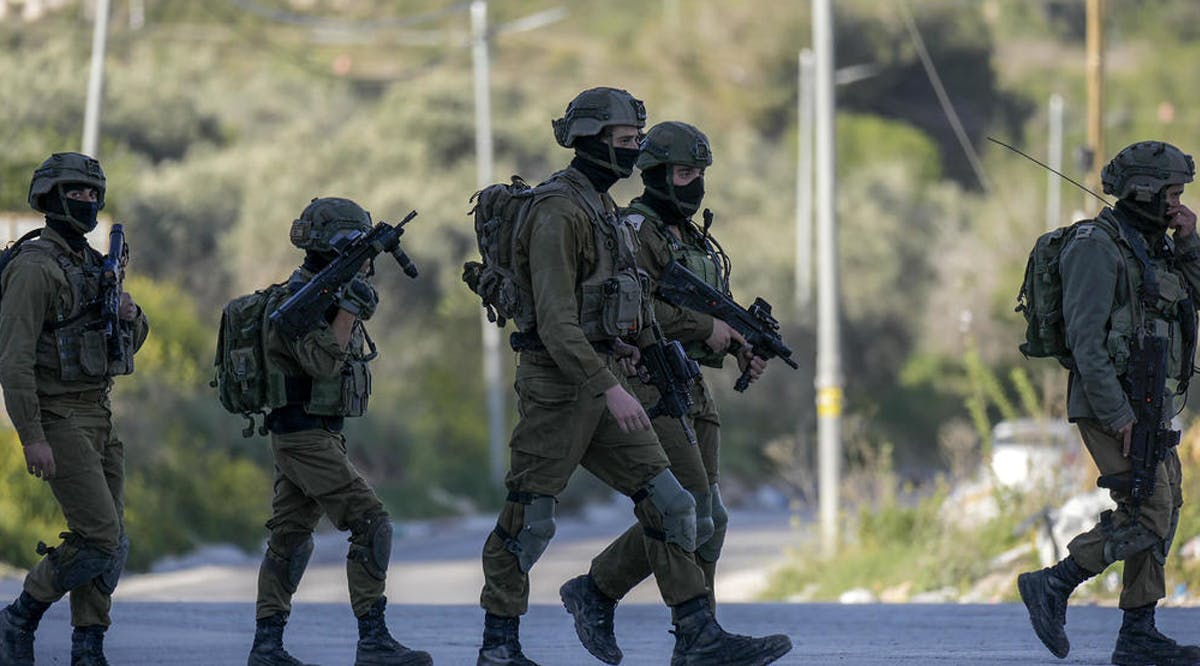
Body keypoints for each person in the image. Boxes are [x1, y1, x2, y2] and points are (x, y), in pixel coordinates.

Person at [476, 88, 789, 666]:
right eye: (625, 143)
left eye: (637, 143)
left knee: (676, 506)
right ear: (590, 140)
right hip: (559, 387)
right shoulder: (557, 211)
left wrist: (645, 351)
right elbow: (555, 322)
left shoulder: (602, 210)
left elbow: (635, 303)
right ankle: (499, 647)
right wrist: (611, 387)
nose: (633, 153)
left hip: (610, 378)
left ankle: (697, 636)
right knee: (529, 520)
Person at [559, 121, 782, 665]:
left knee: (711, 518)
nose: (694, 184)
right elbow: (633, 306)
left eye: (701, 174)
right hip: (646, 381)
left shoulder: (690, 235)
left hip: (688, 383)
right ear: (655, 173)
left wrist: (739, 343)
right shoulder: (635, 229)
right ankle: (618, 599)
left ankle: (696, 635)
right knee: (688, 508)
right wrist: (710, 332)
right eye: (684, 173)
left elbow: (705, 310)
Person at [1018, 140, 1200, 666]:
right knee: (1147, 513)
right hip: (1110, 402)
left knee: (1164, 511)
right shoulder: (1095, 247)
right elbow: (1085, 341)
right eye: (1171, 193)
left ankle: (1138, 633)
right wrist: (1118, 414)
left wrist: (1189, 242)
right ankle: (1053, 583)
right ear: (1142, 190)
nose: (1176, 203)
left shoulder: (1156, 243)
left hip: (1152, 402)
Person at [245, 197, 430, 666]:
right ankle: (373, 640)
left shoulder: (319, 291)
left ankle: (266, 647)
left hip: (312, 432)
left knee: (289, 537)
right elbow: (324, 364)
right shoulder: (300, 302)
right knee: (372, 522)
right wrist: (348, 310)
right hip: (303, 435)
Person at [0, 152, 150, 666]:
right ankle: (19, 615)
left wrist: (130, 315)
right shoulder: (33, 268)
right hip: (57, 416)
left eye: (93, 194)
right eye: (76, 193)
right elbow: (14, 359)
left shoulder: (92, 264)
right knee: (101, 537)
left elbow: (121, 344)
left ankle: (89, 645)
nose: (87, 202)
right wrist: (31, 434)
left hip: (99, 416)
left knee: (110, 542)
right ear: (50, 198)